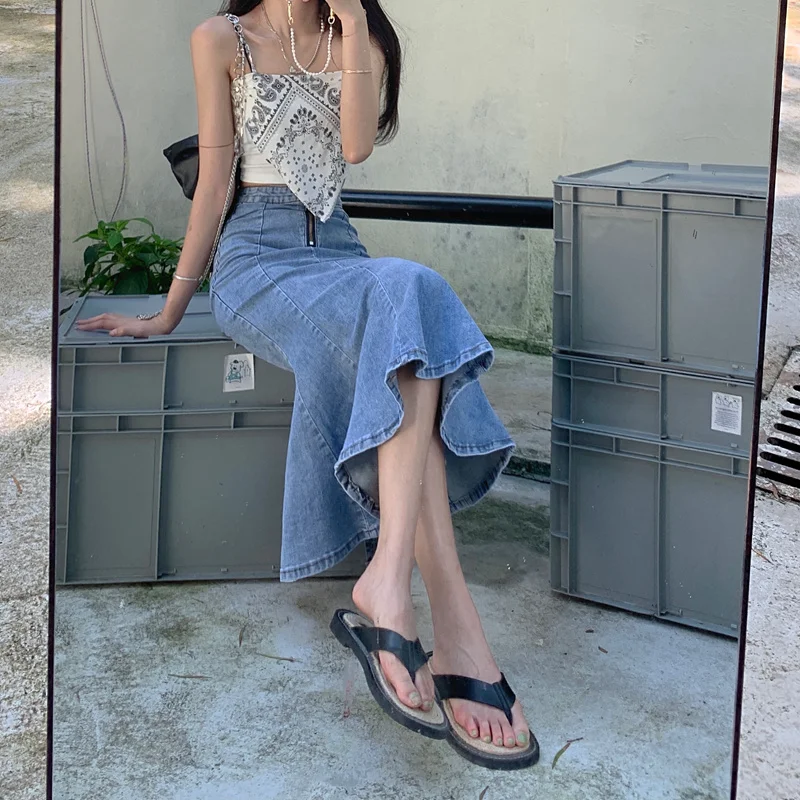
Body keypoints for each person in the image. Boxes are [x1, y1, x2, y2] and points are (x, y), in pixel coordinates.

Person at [76, 0, 538, 770]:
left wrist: (352, 23)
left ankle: (392, 586)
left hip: (340, 253)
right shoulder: (220, 38)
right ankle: (453, 629)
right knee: (408, 310)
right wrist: (169, 310)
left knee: (405, 305)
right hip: (257, 263)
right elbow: (215, 183)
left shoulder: (360, 35)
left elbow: (354, 147)